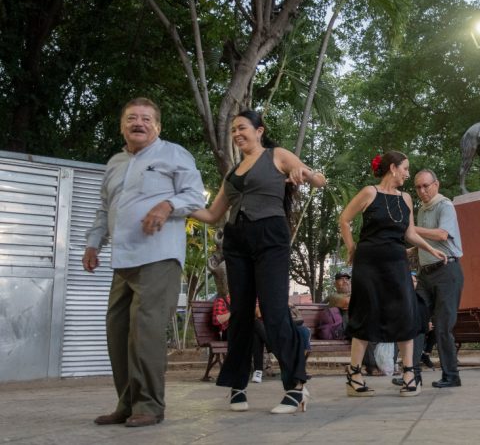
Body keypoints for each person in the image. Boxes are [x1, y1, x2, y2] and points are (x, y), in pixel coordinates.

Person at [190, 109, 326, 414]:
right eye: (234, 130)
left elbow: (318, 179)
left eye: (242, 128)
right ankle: (238, 386)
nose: (237, 134)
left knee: (274, 312)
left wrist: (304, 175)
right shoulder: (232, 174)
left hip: (270, 237)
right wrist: (181, 205)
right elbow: (212, 215)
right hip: (236, 241)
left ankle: (296, 386)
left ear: (259, 130)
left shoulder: (277, 155)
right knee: (240, 314)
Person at [83, 97, 205, 427]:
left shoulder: (173, 154)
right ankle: (127, 403)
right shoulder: (115, 162)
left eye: (147, 119)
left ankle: (149, 406)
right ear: (122, 126)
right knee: (118, 333)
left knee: (146, 332)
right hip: (123, 260)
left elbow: (194, 196)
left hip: (159, 256)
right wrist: (93, 244)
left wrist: (166, 206)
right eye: (132, 118)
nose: (139, 123)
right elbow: (105, 209)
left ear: (158, 127)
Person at [339, 151, 447, 398]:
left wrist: (431, 248)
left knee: (404, 313)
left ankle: (409, 373)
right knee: (367, 314)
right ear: (393, 168)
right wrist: (351, 247)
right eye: (406, 169)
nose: (408, 174)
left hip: (396, 263)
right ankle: (354, 375)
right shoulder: (369, 192)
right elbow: (344, 219)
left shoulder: (406, 199)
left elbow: (409, 233)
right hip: (368, 263)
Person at [412, 169, 465, 388]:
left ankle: (451, 376)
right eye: (418, 187)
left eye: (426, 185)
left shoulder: (445, 206)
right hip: (425, 274)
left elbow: (442, 235)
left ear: (436, 185)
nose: (422, 191)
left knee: (442, 326)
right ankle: (411, 373)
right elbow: (421, 243)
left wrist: (409, 229)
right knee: (414, 319)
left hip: (447, 271)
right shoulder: (421, 210)